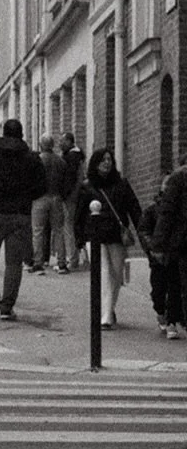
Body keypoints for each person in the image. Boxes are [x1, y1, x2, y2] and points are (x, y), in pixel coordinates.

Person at [0, 118, 46, 321]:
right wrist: (26, 197)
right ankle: (7, 306)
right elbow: (42, 186)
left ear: (3, 133)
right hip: (19, 215)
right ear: (21, 134)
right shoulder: (30, 158)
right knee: (14, 263)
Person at [74, 147, 143, 329]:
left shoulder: (122, 185)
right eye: (103, 159)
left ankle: (109, 308)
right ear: (95, 163)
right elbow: (79, 215)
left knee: (117, 275)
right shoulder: (87, 187)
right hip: (94, 236)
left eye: (109, 159)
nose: (107, 162)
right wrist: (79, 239)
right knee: (103, 274)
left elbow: (134, 209)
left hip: (115, 235)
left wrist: (143, 232)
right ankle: (105, 316)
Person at [139, 173, 185, 340]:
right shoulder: (152, 210)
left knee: (174, 288)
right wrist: (152, 249)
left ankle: (172, 321)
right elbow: (144, 231)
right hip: (158, 257)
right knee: (158, 290)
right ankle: (160, 311)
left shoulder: (180, 208)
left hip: (174, 253)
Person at [150, 152, 187, 340]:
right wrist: (158, 245)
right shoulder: (179, 178)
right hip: (181, 243)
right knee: (176, 283)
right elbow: (167, 213)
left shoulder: (178, 177)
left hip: (179, 241)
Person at [30, 134, 68, 274]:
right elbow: (65, 181)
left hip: (40, 198)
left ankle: (38, 263)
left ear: (41, 145)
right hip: (56, 197)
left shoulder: (37, 161)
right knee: (59, 231)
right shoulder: (60, 161)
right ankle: (62, 263)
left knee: (38, 231)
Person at [60, 132, 86, 269]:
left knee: (68, 226)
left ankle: (72, 259)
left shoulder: (71, 158)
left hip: (71, 197)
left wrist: (68, 194)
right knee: (74, 225)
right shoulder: (77, 156)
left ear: (70, 142)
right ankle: (76, 257)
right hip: (76, 195)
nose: (60, 144)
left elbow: (70, 178)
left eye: (63, 141)